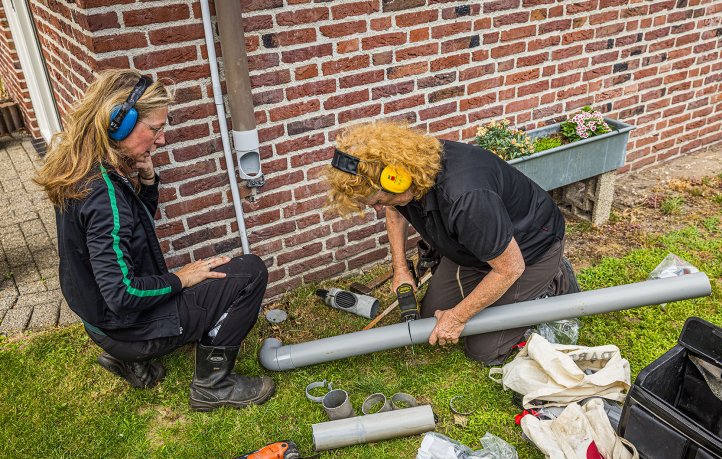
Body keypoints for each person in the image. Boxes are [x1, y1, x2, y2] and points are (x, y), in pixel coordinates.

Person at [34, 69, 274, 411]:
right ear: (119, 122)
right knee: (250, 271)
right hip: (126, 327)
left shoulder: (81, 169)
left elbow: (134, 228)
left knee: (202, 277)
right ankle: (213, 386)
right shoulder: (103, 196)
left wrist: (147, 182)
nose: (160, 140)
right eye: (155, 129)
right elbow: (122, 293)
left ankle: (129, 361)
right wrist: (181, 278)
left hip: (101, 325)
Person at [324, 120, 578, 365]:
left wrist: (457, 318)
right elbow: (394, 211)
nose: (380, 208)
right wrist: (400, 269)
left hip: (528, 251)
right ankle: (487, 272)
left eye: (379, 201)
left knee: (482, 350)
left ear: (399, 178)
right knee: (430, 318)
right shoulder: (406, 175)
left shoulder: (466, 198)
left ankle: (555, 278)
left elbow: (509, 268)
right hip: (471, 249)